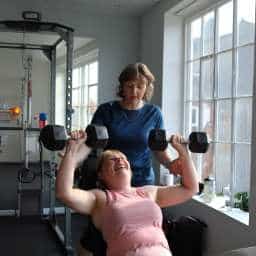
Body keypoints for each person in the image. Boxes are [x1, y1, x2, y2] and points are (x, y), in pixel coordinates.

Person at [79, 62, 183, 255]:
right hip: (112, 179)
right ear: (122, 86)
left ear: (147, 88)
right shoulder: (106, 110)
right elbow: (92, 143)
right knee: (101, 233)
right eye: (129, 85)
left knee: (139, 230)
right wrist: (74, 156)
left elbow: (158, 148)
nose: (134, 90)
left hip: (142, 180)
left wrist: (171, 164)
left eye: (140, 86)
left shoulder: (154, 113)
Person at [56, 130, 198, 256]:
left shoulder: (149, 192)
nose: (120, 160)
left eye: (123, 158)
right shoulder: (100, 198)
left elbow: (190, 189)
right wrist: (71, 150)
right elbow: (64, 193)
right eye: (112, 159)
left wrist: (184, 152)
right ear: (100, 174)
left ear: (130, 170)